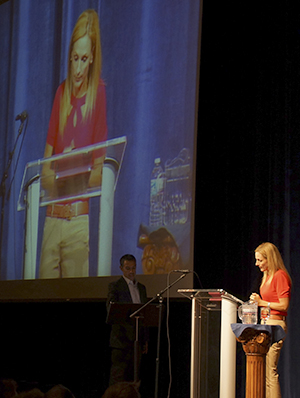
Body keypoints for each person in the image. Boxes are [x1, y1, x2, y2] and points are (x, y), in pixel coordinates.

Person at [39, 9, 107, 278]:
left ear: (92, 60)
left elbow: (99, 173)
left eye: (84, 60)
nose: (78, 69)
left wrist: (64, 169)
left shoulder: (99, 94)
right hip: (51, 221)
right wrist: (70, 168)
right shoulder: (61, 93)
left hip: (78, 221)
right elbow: (44, 172)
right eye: (74, 59)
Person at [250, 242, 292, 398]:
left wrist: (262, 302)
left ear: (270, 258)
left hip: (276, 325)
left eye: (260, 260)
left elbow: (284, 305)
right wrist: (258, 301)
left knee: (270, 370)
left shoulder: (280, 275)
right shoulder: (267, 276)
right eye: (257, 260)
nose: (257, 264)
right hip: (265, 323)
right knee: (264, 370)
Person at [106, 255, 148, 386]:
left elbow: (145, 314)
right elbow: (112, 311)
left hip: (137, 341)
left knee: (134, 379)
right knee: (118, 378)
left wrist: (145, 339)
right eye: (128, 268)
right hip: (121, 340)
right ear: (121, 268)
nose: (131, 271)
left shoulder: (141, 288)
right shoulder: (115, 286)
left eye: (134, 268)